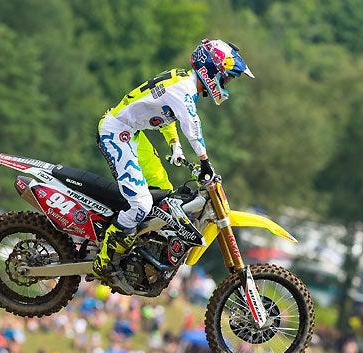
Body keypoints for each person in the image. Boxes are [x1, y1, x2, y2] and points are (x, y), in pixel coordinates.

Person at [93, 38, 255, 279]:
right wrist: (205, 162)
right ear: (213, 71)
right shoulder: (183, 89)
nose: (227, 83)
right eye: (227, 77)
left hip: (132, 134)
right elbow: (191, 124)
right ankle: (105, 260)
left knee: (163, 194)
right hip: (116, 133)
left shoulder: (183, 82)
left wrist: (175, 145)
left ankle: (138, 248)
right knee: (141, 205)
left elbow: (164, 114)